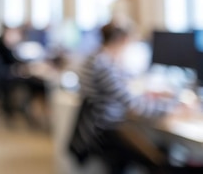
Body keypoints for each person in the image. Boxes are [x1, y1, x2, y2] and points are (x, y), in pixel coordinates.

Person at [72, 22, 191, 174]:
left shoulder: (98, 57)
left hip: (101, 127)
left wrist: (153, 92)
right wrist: (173, 108)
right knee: (158, 160)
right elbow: (135, 105)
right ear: (122, 40)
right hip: (105, 130)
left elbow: (125, 81)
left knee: (159, 149)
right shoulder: (102, 64)